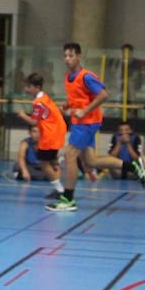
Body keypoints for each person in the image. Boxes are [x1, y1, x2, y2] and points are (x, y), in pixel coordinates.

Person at [46, 43, 145, 212]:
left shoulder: (86, 76)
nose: (67, 59)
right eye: (65, 56)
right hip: (80, 123)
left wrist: (84, 110)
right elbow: (79, 96)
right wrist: (68, 104)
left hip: (87, 123)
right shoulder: (68, 76)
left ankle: (68, 199)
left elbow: (103, 94)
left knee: (69, 156)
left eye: (71, 56)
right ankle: (133, 166)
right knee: (90, 161)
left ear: (79, 56)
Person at [16, 73, 67, 199]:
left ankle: (60, 190)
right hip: (55, 131)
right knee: (52, 161)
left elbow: (33, 122)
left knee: (44, 163)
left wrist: (22, 115)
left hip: (50, 134)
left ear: (37, 87)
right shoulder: (45, 97)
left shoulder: (38, 102)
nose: (26, 89)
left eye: (29, 87)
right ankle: (59, 188)